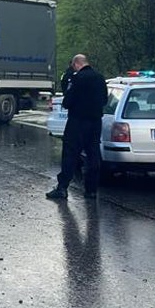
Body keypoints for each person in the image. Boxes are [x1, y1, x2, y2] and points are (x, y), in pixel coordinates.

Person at [47, 54, 108, 200]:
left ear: (76, 64)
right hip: (95, 122)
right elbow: (105, 100)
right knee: (93, 155)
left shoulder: (76, 78)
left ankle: (62, 188)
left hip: (77, 122)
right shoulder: (100, 78)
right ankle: (91, 190)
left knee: (70, 154)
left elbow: (67, 101)